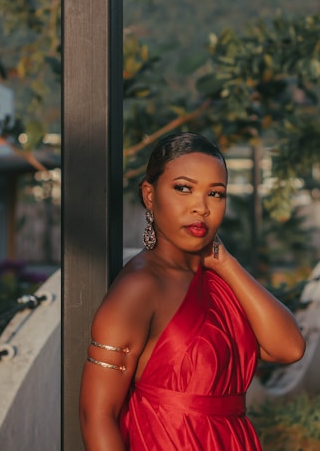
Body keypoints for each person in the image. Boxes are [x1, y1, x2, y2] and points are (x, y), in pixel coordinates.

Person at [79, 131, 306, 450]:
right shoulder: (139, 287)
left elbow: (289, 348)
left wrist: (227, 264)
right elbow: (97, 415)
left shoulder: (221, 278)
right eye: (183, 189)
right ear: (149, 194)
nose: (200, 207)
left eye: (215, 194)